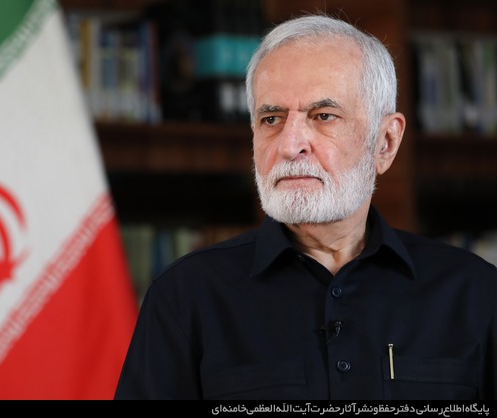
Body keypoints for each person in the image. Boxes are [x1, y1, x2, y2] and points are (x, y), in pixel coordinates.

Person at [114, 14, 497, 400]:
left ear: (385, 143)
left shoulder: (476, 293)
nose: (289, 145)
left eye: (323, 116)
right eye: (271, 118)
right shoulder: (185, 296)